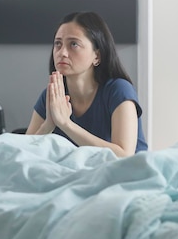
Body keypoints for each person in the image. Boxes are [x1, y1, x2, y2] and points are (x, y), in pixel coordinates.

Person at [26, 11, 147, 157]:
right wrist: (48, 126)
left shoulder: (119, 90)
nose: (62, 52)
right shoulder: (51, 95)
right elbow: (23, 152)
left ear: (97, 55)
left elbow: (123, 155)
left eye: (74, 44)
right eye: (58, 44)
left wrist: (66, 124)